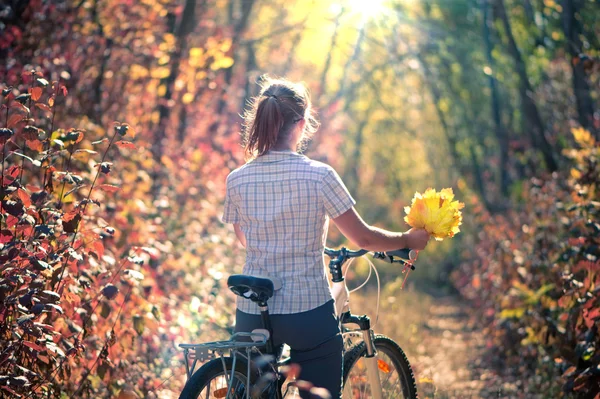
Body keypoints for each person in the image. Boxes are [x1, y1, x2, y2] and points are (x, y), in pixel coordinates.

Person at [222, 77, 429, 399]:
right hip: (306, 308)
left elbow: (245, 240)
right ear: (302, 124)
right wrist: (408, 239)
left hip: (251, 309)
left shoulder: (236, 179)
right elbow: (366, 239)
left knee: (255, 390)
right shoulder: (319, 175)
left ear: (261, 122)